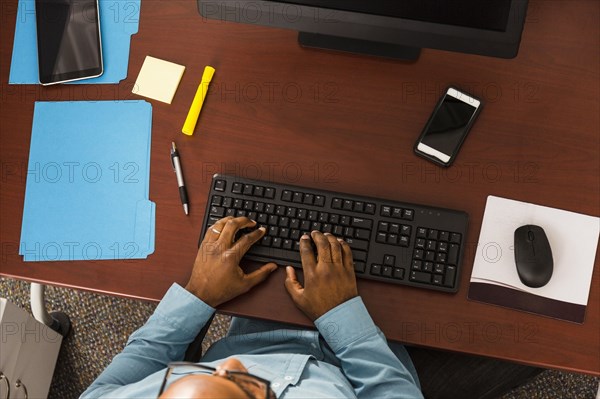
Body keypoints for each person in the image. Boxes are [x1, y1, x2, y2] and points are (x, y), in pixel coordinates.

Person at [81, 216, 424, 398]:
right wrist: (342, 315)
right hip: (364, 354)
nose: (226, 362)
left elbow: (140, 359)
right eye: (246, 388)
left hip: (257, 327)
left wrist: (200, 293)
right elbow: (393, 392)